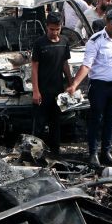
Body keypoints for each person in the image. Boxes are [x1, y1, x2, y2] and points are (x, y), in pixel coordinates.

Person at [67, 8, 112, 166]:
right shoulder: (95, 40)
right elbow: (86, 66)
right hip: (99, 86)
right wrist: (75, 84)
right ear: (107, 22)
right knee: (95, 120)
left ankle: (106, 151)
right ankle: (93, 153)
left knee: (111, 120)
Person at [31, 12, 72, 154]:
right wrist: (35, 91)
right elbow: (34, 67)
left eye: (57, 29)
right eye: (52, 29)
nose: (54, 32)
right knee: (39, 124)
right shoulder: (39, 43)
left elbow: (65, 64)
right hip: (43, 90)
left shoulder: (64, 42)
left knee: (56, 123)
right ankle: (36, 153)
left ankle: (55, 153)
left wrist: (71, 83)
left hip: (58, 91)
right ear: (46, 27)